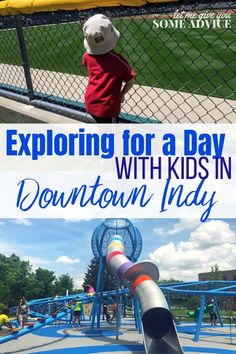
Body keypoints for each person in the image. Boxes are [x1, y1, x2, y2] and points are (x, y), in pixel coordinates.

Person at [82, 14, 135, 123]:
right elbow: (130, 80)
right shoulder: (118, 60)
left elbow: (88, 66)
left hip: (90, 102)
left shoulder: (87, 56)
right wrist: (121, 94)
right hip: (108, 108)